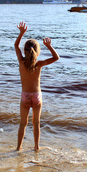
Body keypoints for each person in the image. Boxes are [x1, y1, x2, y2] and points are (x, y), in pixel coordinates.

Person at [14, 22, 60, 151]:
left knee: (23, 124)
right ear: (38, 52)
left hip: (25, 96)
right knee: (36, 123)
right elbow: (56, 58)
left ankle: (18, 148)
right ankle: (36, 147)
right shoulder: (39, 64)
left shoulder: (22, 62)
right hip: (37, 96)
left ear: (25, 51)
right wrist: (49, 46)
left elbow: (16, 45)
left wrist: (21, 33)